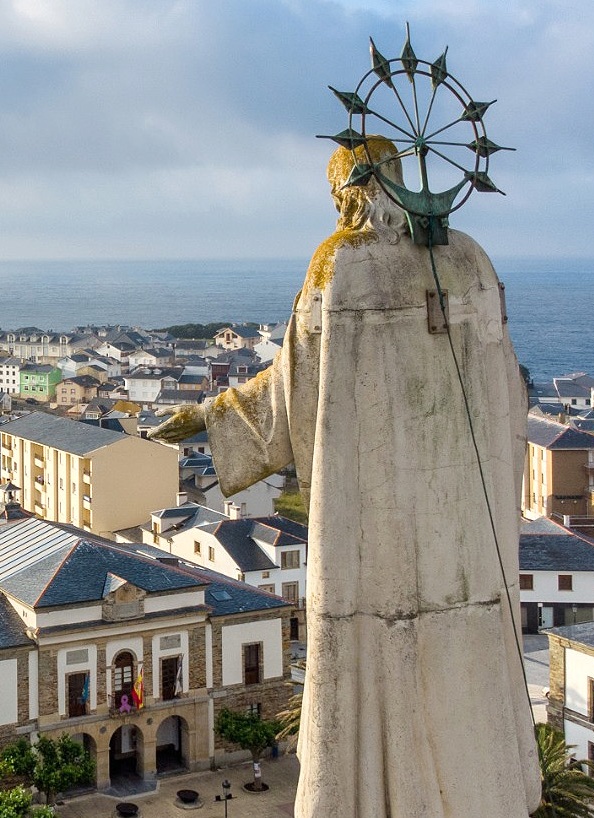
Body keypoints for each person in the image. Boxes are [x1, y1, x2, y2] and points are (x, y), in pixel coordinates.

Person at [150, 137, 541, 817]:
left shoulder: (342, 264)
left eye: (340, 195)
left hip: (374, 527)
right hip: (467, 541)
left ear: (354, 191)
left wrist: (207, 419)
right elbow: (511, 392)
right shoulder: (472, 261)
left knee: (369, 653)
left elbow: (293, 391)